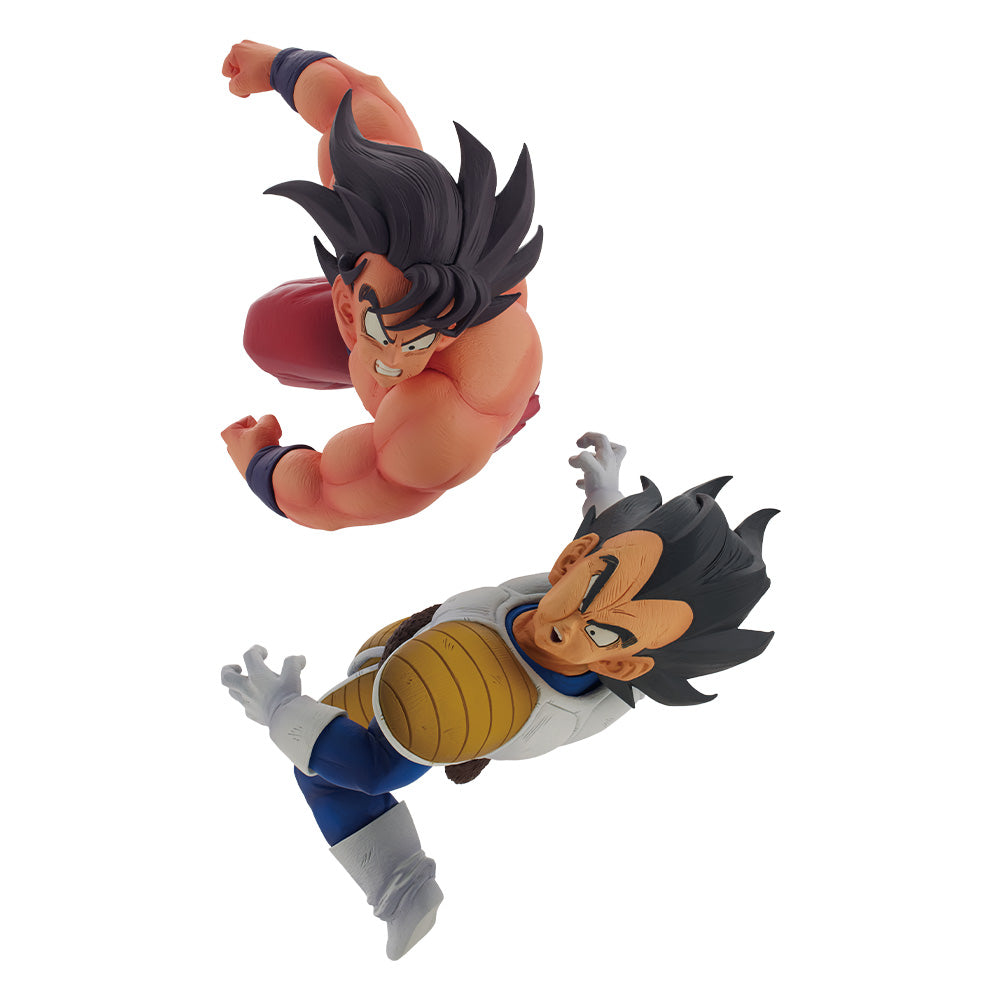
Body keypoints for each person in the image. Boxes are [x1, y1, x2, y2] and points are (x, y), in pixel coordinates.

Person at [222, 434, 778, 958]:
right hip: (410, 647)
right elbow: (622, 550)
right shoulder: (581, 574)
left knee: (320, 772)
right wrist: (606, 491)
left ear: (621, 664)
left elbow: (373, 771)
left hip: (456, 704)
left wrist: (281, 710)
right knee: (355, 713)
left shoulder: (476, 703)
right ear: (574, 557)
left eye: (604, 634)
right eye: (589, 586)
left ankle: (402, 888)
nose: (570, 623)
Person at [219, 41, 543, 530]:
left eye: (415, 341)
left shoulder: (429, 432)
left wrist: (258, 460)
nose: (393, 361)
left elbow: (329, 495)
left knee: (276, 340)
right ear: (345, 305)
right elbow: (354, 100)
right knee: (271, 328)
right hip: (417, 332)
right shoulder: (408, 218)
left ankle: (399, 334)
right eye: (378, 329)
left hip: (455, 417)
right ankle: (395, 327)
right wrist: (279, 66)